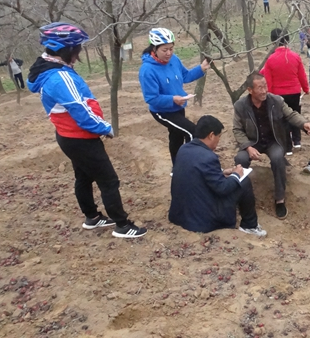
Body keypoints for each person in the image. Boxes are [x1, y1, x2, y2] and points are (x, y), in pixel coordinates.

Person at [27, 23, 147, 239]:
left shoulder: (50, 69)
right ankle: (122, 225)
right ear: (64, 49)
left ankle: (92, 217)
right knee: (109, 180)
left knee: (83, 176)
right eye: (76, 48)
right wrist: (105, 127)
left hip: (69, 136)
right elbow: (80, 111)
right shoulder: (59, 77)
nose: (79, 52)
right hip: (81, 138)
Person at [233, 73, 310, 220]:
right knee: (240, 159)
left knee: (278, 158)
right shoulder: (240, 106)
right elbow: (237, 130)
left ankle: (280, 199)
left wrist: (304, 124)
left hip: (273, 141)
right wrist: (247, 147)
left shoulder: (276, 101)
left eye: (265, 86)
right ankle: (239, 196)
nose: (264, 90)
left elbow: (291, 115)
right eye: (260, 88)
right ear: (250, 90)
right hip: (252, 142)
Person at [169, 115, 266, 237]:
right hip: (202, 220)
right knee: (243, 182)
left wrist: (222, 173)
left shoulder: (183, 149)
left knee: (233, 179)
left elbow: (199, 174)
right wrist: (236, 175)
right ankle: (249, 225)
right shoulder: (209, 157)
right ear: (211, 135)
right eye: (219, 136)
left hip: (180, 215)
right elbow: (222, 188)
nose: (218, 140)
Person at [139, 28, 210, 167]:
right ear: (154, 48)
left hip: (178, 107)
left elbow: (185, 76)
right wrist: (173, 99)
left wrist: (201, 68)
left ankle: (177, 169)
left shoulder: (174, 60)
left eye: (171, 49)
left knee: (176, 137)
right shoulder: (147, 70)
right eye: (164, 50)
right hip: (162, 111)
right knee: (192, 132)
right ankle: (191, 167)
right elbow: (151, 98)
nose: (169, 53)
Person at [261, 28, 310, 154]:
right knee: (295, 115)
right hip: (294, 92)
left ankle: (288, 147)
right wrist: (306, 89)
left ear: (273, 42)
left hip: (278, 94)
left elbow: (268, 80)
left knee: (283, 120)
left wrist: (269, 95)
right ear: (287, 40)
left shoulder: (271, 59)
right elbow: (302, 75)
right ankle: (297, 141)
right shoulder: (295, 56)